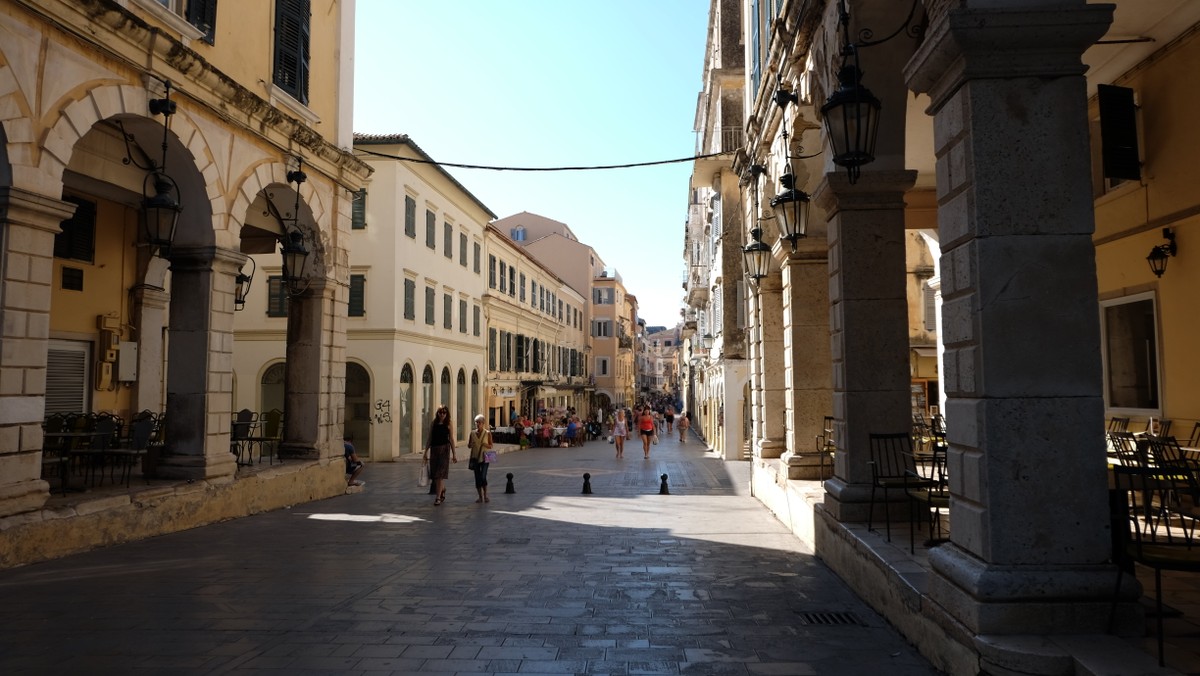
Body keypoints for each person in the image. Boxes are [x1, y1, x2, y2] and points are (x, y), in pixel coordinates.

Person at [423, 406, 457, 505]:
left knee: (440, 474)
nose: (442, 414)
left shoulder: (449, 423)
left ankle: (438, 497)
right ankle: (443, 488)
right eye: (440, 412)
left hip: (444, 450)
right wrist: (425, 452)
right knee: (435, 475)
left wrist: (454, 454)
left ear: (447, 414)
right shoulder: (434, 423)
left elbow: (451, 439)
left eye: (444, 413)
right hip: (434, 450)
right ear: (437, 413)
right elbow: (429, 438)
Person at [467, 414, 493, 503]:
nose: (477, 424)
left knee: (483, 476)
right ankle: (480, 496)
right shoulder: (472, 433)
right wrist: (471, 445)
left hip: (486, 457)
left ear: (483, 423)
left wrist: (485, 444)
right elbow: (469, 445)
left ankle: (485, 495)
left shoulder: (487, 433)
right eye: (476, 422)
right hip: (475, 457)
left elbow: (491, 445)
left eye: (479, 422)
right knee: (477, 477)